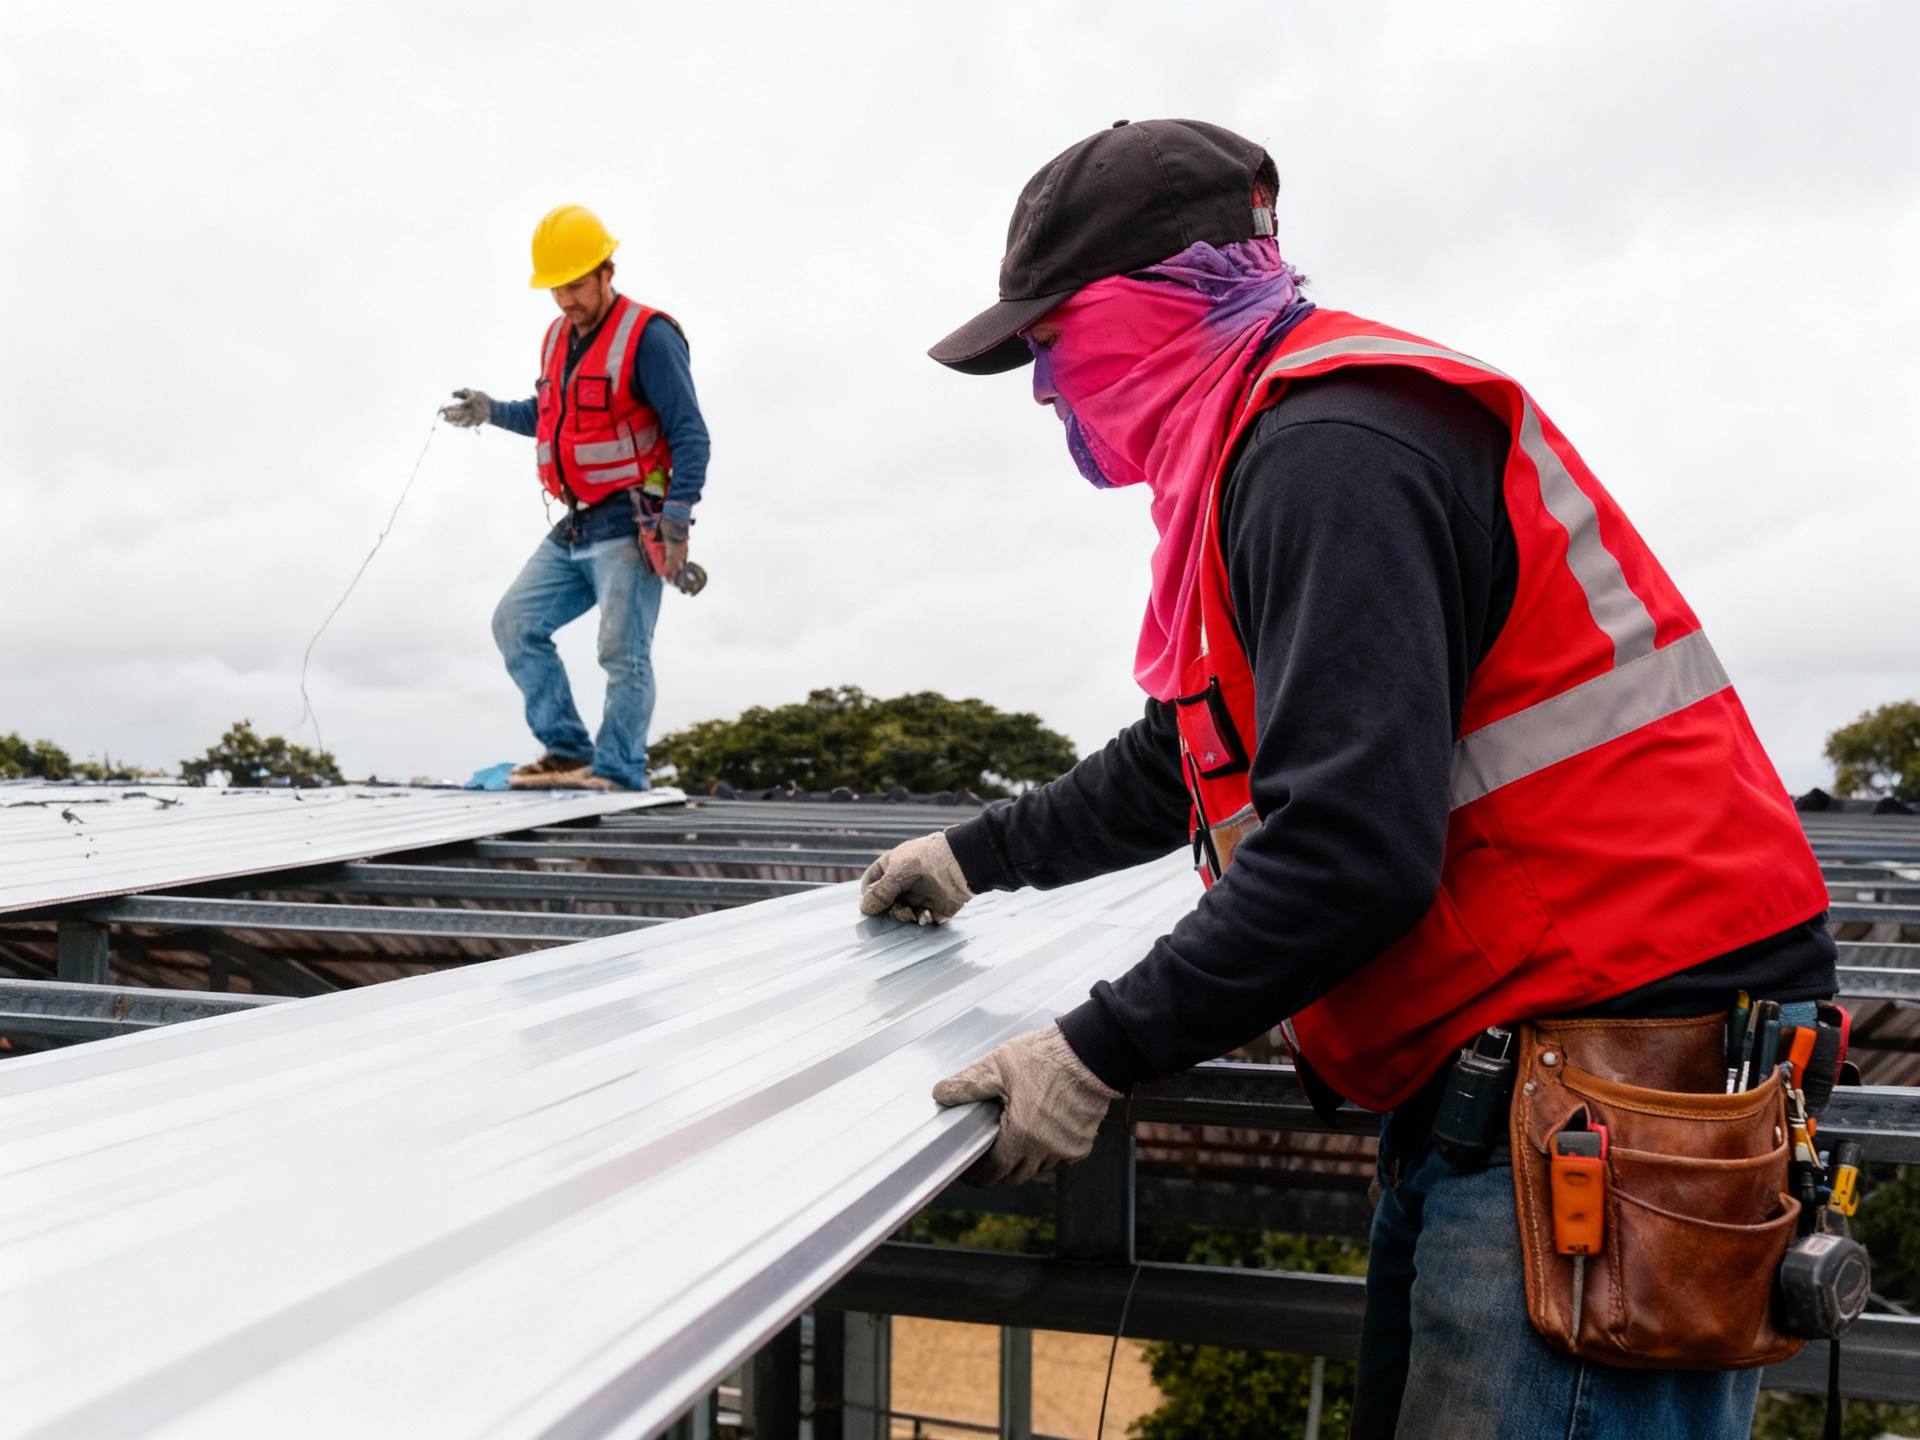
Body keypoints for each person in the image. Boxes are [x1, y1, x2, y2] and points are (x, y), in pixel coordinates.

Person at [857, 120, 1835, 1438]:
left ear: (1151, 307)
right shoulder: (1276, 440)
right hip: (1523, 1073)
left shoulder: (1330, 456)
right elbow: (1192, 757)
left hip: (1613, 1080)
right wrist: (975, 855)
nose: (1044, 389)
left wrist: (1097, 1050)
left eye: (1054, 343)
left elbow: (1351, 850)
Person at [440, 204, 710, 791]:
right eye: (557, 287)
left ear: (607, 271)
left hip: (633, 519)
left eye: (578, 284)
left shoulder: (650, 337)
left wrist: (677, 520)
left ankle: (617, 771)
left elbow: (690, 433)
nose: (566, 299)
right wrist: (491, 411)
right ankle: (566, 750)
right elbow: (552, 414)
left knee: (622, 653)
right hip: (578, 523)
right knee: (515, 623)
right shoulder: (558, 337)